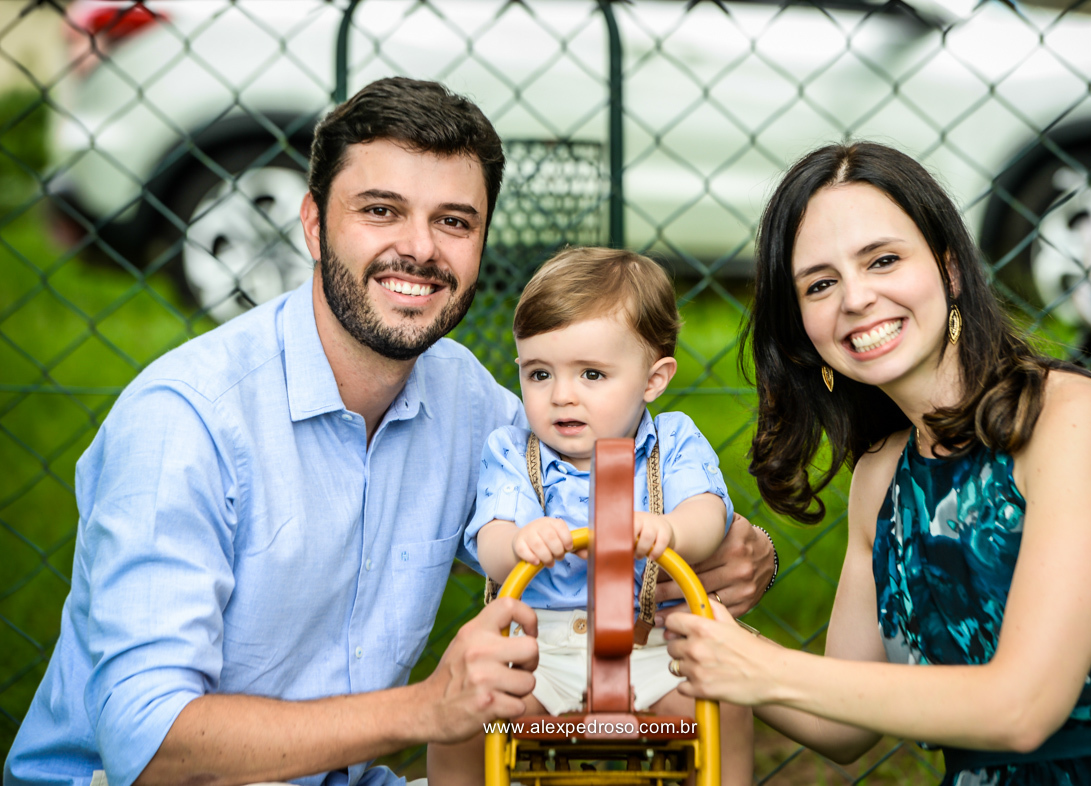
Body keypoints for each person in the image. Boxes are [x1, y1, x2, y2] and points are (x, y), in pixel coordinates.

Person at [4, 77, 776, 786]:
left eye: (454, 221)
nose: (419, 247)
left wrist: (728, 548)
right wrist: (427, 709)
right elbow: (148, 744)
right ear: (312, 223)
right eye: (380, 210)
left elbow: (594, 489)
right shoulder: (185, 423)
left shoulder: (469, 402)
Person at [663, 141, 1091, 784]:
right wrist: (698, 631)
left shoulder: (1070, 421)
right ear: (801, 325)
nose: (856, 298)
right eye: (820, 283)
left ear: (951, 269)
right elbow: (842, 726)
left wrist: (758, 668)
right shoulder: (884, 475)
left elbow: (1023, 707)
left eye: (882, 260)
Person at [428, 248, 754, 784]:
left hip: (652, 645)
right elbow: (491, 538)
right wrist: (520, 543)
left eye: (592, 375)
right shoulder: (513, 451)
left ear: (653, 379)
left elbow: (708, 511)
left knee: (721, 701)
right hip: (536, 654)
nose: (561, 396)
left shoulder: (671, 443)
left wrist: (671, 530)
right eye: (538, 374)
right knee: (467, 712)